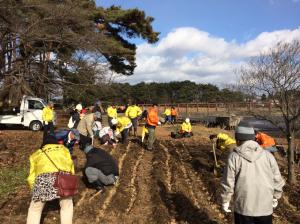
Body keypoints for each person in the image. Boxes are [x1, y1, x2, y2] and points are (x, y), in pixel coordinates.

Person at [221, 121, 285, 224]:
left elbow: (228, 181)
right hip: (265, 208)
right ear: (252, 137)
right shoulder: (267, 155)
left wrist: (225, 200)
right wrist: (276, 196)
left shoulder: (234, 157)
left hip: (243, 207)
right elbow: (277, 179)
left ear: (238, 139)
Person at [26, 135, 74, 224]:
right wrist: (69, 181)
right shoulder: (64, 150)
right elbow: (71, 166)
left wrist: (34, 189)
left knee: (35, 209)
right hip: (63, 177)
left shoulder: (36, 154)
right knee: (66, 206)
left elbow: (32, 176)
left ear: (44, 144)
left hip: (43, 179)